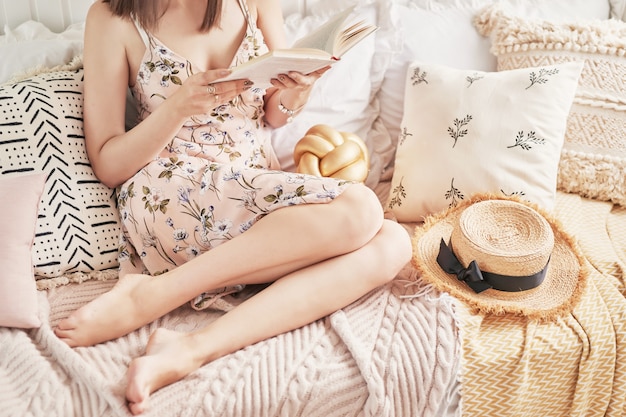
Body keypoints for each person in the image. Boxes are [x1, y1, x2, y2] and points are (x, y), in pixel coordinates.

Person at [54, 0, 412, 414]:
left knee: (394, 242)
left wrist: (297, 89)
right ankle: (150, 298)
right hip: (172, 192)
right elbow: (108, 163)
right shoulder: (114, 18)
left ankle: (189, 348)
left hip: (253, 188)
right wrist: (177, 108)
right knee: (362, 210)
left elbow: (276, 115)